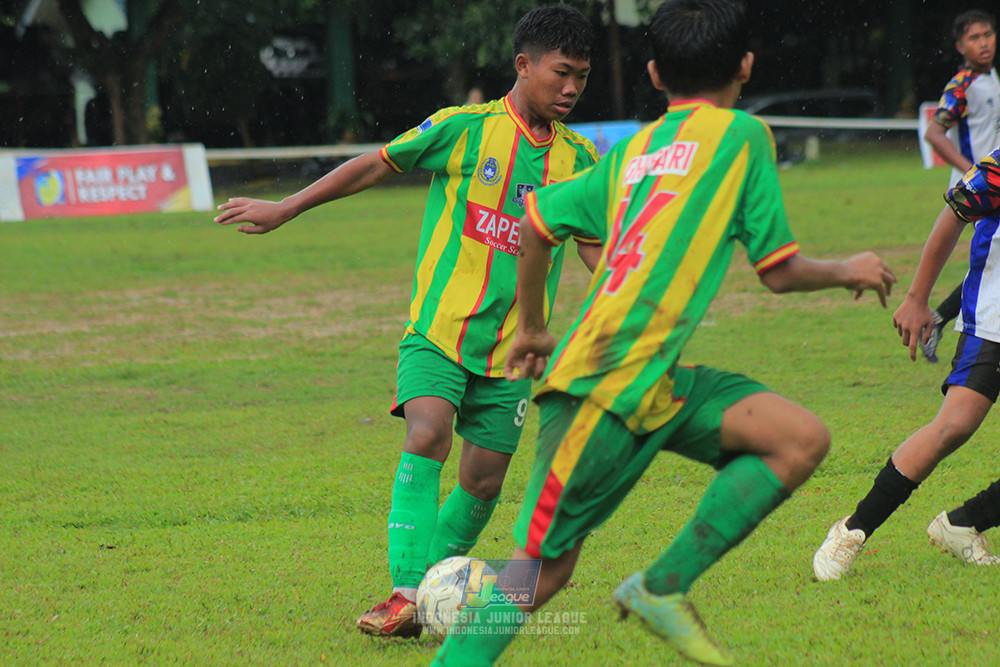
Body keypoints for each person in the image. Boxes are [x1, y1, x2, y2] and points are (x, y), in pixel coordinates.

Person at [431, 2, 896, 665]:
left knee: (798, 438)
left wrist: (532, 328)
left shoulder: (636, 151)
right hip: (599, 387)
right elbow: (779, 271)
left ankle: (661, 587)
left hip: (655, 382)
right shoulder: (743, 136)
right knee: (538, 572)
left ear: (653, 72)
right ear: (745, 66)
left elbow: (537, 221)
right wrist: (846, 267)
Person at [214, 4, 601, 639]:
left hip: (512, 351)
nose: (571, 89)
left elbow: (593, 246)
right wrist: (287, 207)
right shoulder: (463, 128)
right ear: (523, 65)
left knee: (483, 480)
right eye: (562, 74)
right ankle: (405, 595)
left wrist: (632, 287)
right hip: (438, 332)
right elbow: (374, 164)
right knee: (428, 433)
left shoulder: (581, 158)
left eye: (582, 78)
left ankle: (430, 590)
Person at [812, 149, 1000, 582]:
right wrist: (919, 300)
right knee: (953, 427)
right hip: (992, 324)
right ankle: (851, 531)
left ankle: (963, 523)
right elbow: (952, 216)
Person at [920, 9, 1000, 363]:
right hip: (980, 192)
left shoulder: (993, 78)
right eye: (974, 38)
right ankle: (955, 330)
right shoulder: (960, 86)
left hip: (993, 186)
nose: (983, 43)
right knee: (987, 263)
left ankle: (941, 320)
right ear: (959, 46)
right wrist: (974, 172)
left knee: (989, 261)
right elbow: (934, 133)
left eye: (988, 34)